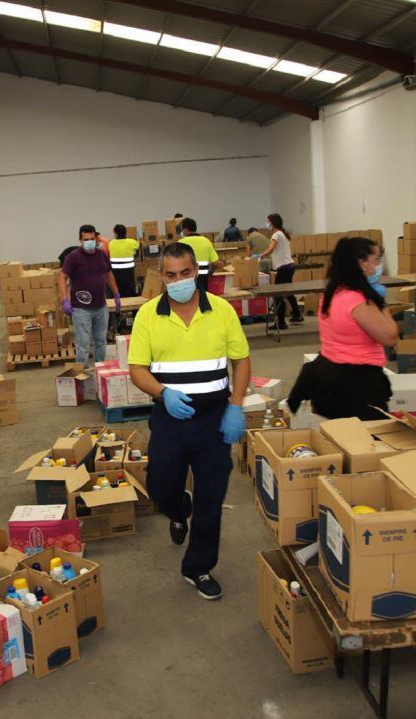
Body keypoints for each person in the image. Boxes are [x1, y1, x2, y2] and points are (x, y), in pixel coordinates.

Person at [128, 242, 250, 601]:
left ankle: (198, 567)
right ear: (161, 276)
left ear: (196, 272)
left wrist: (236, 406)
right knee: (161, 488)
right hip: (170, 415)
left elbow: (241, 361)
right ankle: (179, 508)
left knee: (212, 497)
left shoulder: (222, 311)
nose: (179, 281)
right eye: (171, 275)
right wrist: (163, 393)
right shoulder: (149, 315)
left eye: (185, 273)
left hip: (214, 418)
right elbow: (136, 368)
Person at [287, 236, 397, 421]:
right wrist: (381, 303)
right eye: (376, 259)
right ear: (361, 264)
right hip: (356, 384)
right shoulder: (358, 301)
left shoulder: (332, 293)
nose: (379, 265)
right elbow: (390, 336)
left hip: (329, 375)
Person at [59, 225, 121, 367]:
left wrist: (116, 294)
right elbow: (62, 277)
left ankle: (100, 371)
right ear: (80, 240)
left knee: (101, 342)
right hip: (81, 309)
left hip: (101, 307)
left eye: (92, 239)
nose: (90, 242)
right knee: (83, 344)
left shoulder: (102, 255)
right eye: (86, 239)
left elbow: (109, 274)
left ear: (96, 238)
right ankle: (83, 376)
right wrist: (65, 300)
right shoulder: (73, 257)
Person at [266, 213, 303, 329]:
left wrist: (259, 256)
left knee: (278, 295)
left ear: (273, 222)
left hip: (283, 268)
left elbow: (271, 248)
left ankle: (281, 322)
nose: (267, 224)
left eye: (268, 221)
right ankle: (297, 314)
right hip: (289, 267)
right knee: (287, 292)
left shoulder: (276, 235)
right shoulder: (283, 233)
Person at [177, 218, 219, 294]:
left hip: (186, 281)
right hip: (203, 281)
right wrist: (210, 273)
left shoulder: (180, 243)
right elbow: (216, 263)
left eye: (182, 229)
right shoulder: (206, 241)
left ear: (185, 229)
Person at [108, 224, 140, 298]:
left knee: (118, 287)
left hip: (115, 271)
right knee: (129, 287)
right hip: (128, 270)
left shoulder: (111, 243)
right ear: (125, 232)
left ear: (115, 233)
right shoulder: (132, 242)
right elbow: (137, 247)